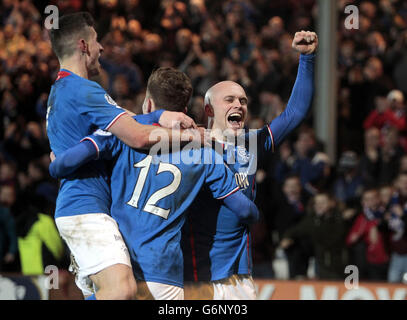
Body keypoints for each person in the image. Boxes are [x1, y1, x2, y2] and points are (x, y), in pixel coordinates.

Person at [49, 67, 260, 300]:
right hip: (165, 272)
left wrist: (56, 162)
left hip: (123, 263)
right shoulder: (205, 153)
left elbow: (65, 163)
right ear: (185, 110)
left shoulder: (123, 134)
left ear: (148, 105)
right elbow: (244, 209)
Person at [46, 12, 200, 300]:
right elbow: (138, 134)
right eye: (96, 40)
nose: (101, 48)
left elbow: (125, 119)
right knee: (122, 290)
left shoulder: (62, 91)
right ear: (83, 45)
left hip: (79, 208)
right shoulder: (84, 90)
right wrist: (195, 137)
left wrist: (158, 114)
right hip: (85, 209)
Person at [182, 30, 317, 299]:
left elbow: (295, 113)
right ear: (209, 110)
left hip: (240, 274)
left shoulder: (252, 143)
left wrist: (307, 59)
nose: (239, 105)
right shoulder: (191, 146)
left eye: (243, 100)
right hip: (201, 275)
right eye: (230, 100)